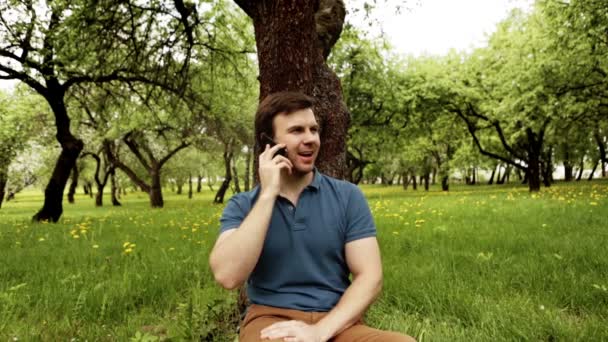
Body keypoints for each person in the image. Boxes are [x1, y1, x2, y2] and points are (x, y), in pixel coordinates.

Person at [209, 92, 415, 342]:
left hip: (338, 322)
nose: (310, 139)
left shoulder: (348, 196)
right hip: (272, 322)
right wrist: (268, 194)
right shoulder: (243, 206)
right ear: (269, 143)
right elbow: (228, 276)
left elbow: (370, 277)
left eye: (313, 129)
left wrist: (320, 332)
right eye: (297, 131)